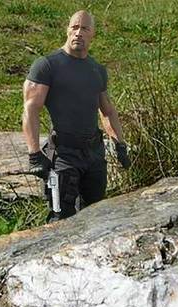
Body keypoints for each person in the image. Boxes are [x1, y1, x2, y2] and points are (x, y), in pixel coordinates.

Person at [22, 10, 130, 222]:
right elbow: (30, 110)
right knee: (62, 219)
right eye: (74, 27)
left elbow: (107, 111)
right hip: (64, 155)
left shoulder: (96, 70)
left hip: (94, 154)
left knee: (97, 215)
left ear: (93, 34)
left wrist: (120, 145)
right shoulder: (47, 65)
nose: (78, 33)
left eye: (84, 29)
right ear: (67, 30)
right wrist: (34, 154)